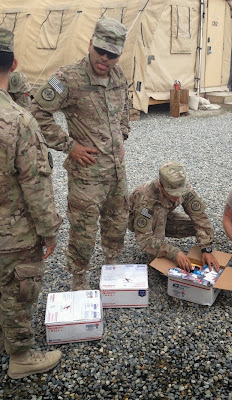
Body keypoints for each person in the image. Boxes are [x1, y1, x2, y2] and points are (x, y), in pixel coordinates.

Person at [30, 17, 130, 290]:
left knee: (117, 221)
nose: (105, 59)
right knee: (84, 230)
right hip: (86, 176)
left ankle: (112, 265)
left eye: (112, 55)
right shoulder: (66, 78)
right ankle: (79, 277)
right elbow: (37, 113)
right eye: (100, 51)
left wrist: (122, 134)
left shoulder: (119, 76)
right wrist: (69, 146)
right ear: (90, 45)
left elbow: (125, 108)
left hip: (116, 172)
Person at [0, 28, 62, 379]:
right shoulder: (19, 121)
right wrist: (49, 232)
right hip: (14, 234)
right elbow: (36, 186)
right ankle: (20, 356)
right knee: (17, 290)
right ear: (15, 64)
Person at [128, 161, 220, 272]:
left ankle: (160, 239)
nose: (178, 197)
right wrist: (174, 253)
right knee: (159, 214)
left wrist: (206, 249)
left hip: (164, 216)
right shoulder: (146, 199)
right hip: (143, 221)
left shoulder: (182, 187)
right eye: (173, 194)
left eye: (180, 193)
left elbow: (200, 217)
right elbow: (143, 238)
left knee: (196, 227)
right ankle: (157, 257)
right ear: (161, 187)